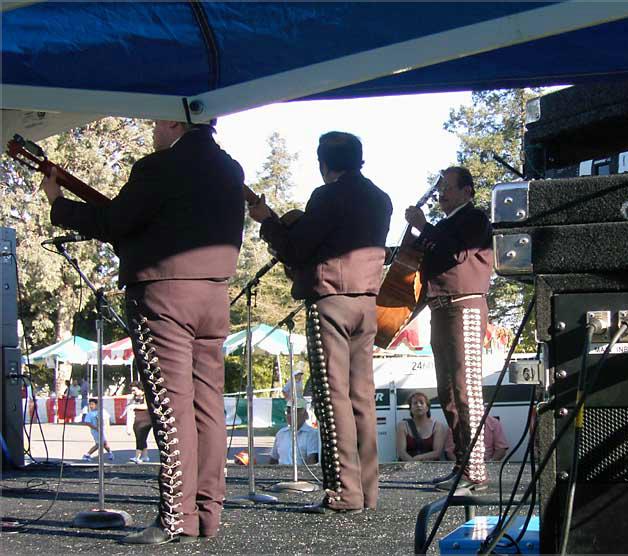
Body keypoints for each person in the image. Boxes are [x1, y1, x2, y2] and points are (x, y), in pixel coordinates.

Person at [40, 118, 245, 544]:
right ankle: (207, 514)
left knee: (170, 409)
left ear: (173, 120)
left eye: (156, 121)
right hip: (214, 295)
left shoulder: (157, 167)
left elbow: (114, 222)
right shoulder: (231, 169)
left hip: (164, 296)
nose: (153, 130)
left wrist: (58, 202)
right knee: (207, 407)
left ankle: (175, 518)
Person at [249, 131, 392, 514]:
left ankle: (345, 492)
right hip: (367, 301)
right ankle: (367, 490)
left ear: (323, 163)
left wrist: (268, 223)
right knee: (361, 396)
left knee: (334, 400)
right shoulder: (381, 199)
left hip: (331, 299)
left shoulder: (325, 196)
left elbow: (298, 248)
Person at [404, 166, 493, 492]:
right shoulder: (444, 225)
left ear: (467, 191)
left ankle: (475, 472)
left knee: (467, 391)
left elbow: (456, 253)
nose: (441, 193)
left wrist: (423, 227)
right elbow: (430, 255)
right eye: (440, 188)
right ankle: (463, 465)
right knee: (449, 395)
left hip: (464, 307)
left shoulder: (475, 219)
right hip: (441, 310)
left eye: (448, 188)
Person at [396, 391, 446, 462]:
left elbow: (437, 453)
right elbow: (401, 452)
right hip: (407, 467)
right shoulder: (402, 425)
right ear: (410, 408)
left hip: (430, 467)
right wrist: (412, 464)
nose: (418, 405)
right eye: (415, 403)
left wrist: (419, 458)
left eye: (422, 402)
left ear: (427, 408)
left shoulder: (437, 426)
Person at [267, 399, 320, 465]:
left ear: (305, 414)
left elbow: (312, 461)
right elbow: (273, 459)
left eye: (295, 412)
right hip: (281, 473)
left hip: (301, 474)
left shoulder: (312, 434)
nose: (291, 415)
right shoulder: (281, 434)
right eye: (288, 412)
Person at [444, 413, 510, 462]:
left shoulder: (494, 423)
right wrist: (460, 466)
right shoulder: (455, 424)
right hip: (463, 466)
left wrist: (490, 463)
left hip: (487, 463)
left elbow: (501, 449)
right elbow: (450, 452)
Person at [126, 381, 152, 464]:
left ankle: (137, 457)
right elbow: (129, 405)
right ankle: (145, 456)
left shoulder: (146, 395)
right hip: (136, 420)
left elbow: (147, 406)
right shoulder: (134, 397)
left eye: (134, 390)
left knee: (141, 437)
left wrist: (134, 406)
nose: (133, 392)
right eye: (132, 390)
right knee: (141, 438)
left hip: (145, 421)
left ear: (140, 389)